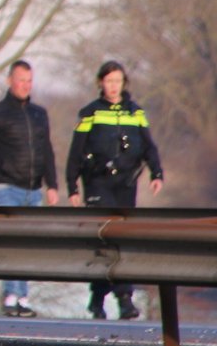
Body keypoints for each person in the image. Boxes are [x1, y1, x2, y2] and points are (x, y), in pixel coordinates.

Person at [65, 60, 164, 320]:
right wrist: (72, 186)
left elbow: (148, 146)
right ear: (101, 83)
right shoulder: (91, 113)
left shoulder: (135, 113)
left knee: (121, 242)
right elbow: (75, 151)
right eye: (108, 81)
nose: (113, 86)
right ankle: (108, 298)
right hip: (97, 183)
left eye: (117, 81)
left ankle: (116, 299)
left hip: (125, 185)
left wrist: (157, 173)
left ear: (123, 83)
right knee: (104, 240)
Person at [0, 60, 60, 317]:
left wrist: (52, 185)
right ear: (10, 80)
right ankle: (11, 295)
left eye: (29, 80)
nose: (25, 85)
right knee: (10, 240)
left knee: (27, 244)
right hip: (5, 186)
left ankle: (23, 297)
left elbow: (47, 151)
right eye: (21, 80)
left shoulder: (39, 114)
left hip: (33, 190)